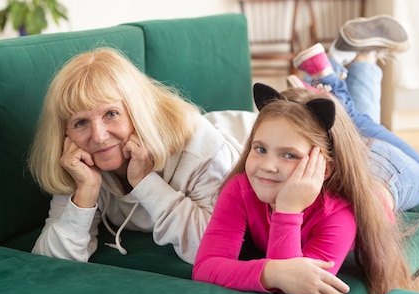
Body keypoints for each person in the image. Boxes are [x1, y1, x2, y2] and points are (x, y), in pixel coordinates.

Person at [28, 47, 256, 264]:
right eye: (80, 122)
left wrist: (145, 181)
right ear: (65, 134)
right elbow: (48, 261)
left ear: (136, 111)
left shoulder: (201, 150)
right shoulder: (79, 161)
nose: (98, 137)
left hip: (248, 136)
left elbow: (215, 249)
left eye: (111, 114)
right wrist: (85, 193)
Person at [192, 83, 412, 294]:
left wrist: (288, 210)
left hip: (393, 174)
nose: (268, 165)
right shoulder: (240, 188)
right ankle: (331, 75)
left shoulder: (340, 215)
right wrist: (272, 272)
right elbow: (205, 267)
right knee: (360, 120)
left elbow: (292, 291)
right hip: (358, 151)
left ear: (323, 169)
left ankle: (335, 77)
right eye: (260, 149)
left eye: (289, 155)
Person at [290, 15, 419, 212]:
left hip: (360, 169)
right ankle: (339, 64)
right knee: (354, 119)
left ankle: (336, 71)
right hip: (362, 169)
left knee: (354, 119)